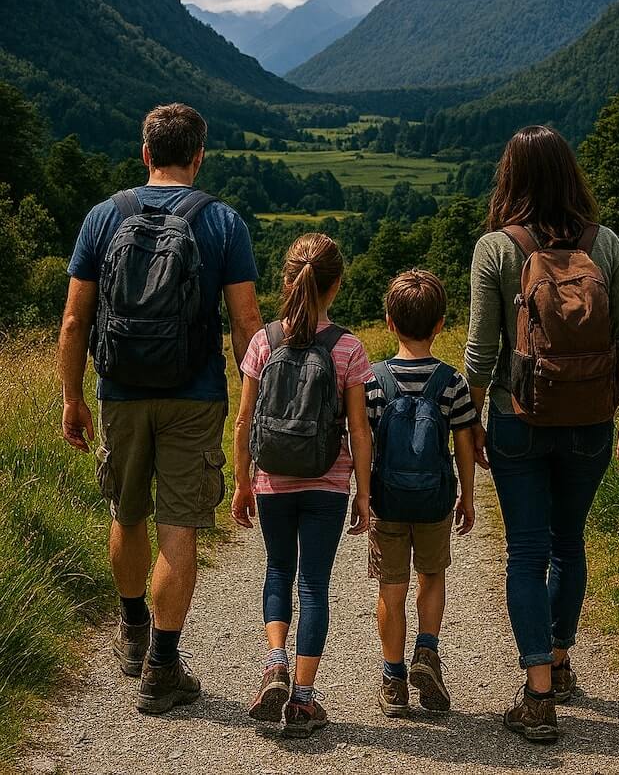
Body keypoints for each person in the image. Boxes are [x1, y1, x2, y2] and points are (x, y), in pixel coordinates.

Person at [59, 103, 262, 715]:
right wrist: (258, 396)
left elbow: (74, 320)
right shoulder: (223, 222)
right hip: (194, 397)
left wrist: (72, 395)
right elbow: (246, 321)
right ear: (199, 155)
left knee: (127, 511)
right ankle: (163, 669)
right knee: (179, 526)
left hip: (119, 390)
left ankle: (131, 632)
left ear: (144, 152)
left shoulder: (102, 217)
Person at [466, 125, 619, 744]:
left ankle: (538, 696)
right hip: (592, 416)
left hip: (518, 417)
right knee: (570, 543)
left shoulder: (496, 247)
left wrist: (473, 423)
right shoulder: (607, 245)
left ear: (510, 178)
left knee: (526, 551)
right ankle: (561, 664)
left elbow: (479, 353)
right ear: (572, 174)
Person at [232, 233, 373, 739]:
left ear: (287, 280)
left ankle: (275, 662)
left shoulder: (263, 341)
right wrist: (365, 491)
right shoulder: (349, 348)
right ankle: (304, 700)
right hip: (328, 482)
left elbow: (245, 418)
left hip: (273, 477)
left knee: (277, 569)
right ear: (336, 285)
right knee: (314, 584)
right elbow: (359, 429)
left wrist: (242, 481)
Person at [365, 270, 478, 718]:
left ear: (389, 322)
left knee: (391, 589)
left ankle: (393, 679)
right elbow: (465, 444)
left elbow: (363, 441)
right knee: (432, 577)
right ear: (440, 325)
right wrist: (467, 498)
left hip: (388, 502)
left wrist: (361, 494)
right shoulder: (452, 382)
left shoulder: (372, 381)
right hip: (434, 502)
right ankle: (426, 654)